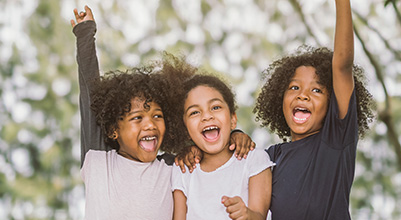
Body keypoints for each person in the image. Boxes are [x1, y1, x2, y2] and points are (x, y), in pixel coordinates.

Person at [71, 6, 255, 219]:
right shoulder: (99, 160)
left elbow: (210, 141)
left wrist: (234, 135)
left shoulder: (173, 165)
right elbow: (89, 91)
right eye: (137, 118)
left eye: (157, 116)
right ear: (113, 130)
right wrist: (85, 32)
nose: (150, 124)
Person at [253, 0, 375, 219]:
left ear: (332, 104)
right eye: (294, 87)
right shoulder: (271, 156)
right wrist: (236, 136)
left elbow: (342, 65)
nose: (303, 94)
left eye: (317, 90)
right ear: (280, 99)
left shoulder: (335, 140)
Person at [170, 73, 274, 220]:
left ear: (233, 119)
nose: (207, 116)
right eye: (194, 112)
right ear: (186, 130)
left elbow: (259, 215)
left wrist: (246, 214)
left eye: (215, 107)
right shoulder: (183, 169)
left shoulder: (254, 160)